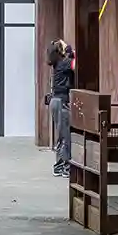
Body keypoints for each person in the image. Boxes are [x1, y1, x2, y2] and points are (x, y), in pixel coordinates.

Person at [46, 39, 73, 176]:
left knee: (61, 135)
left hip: (55, 101)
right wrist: (70, 50)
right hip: (62, 102)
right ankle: (64, 166)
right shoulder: (65, 64)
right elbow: (75, 64)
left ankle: (60, 165)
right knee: (65, 135)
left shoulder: (57, 64)